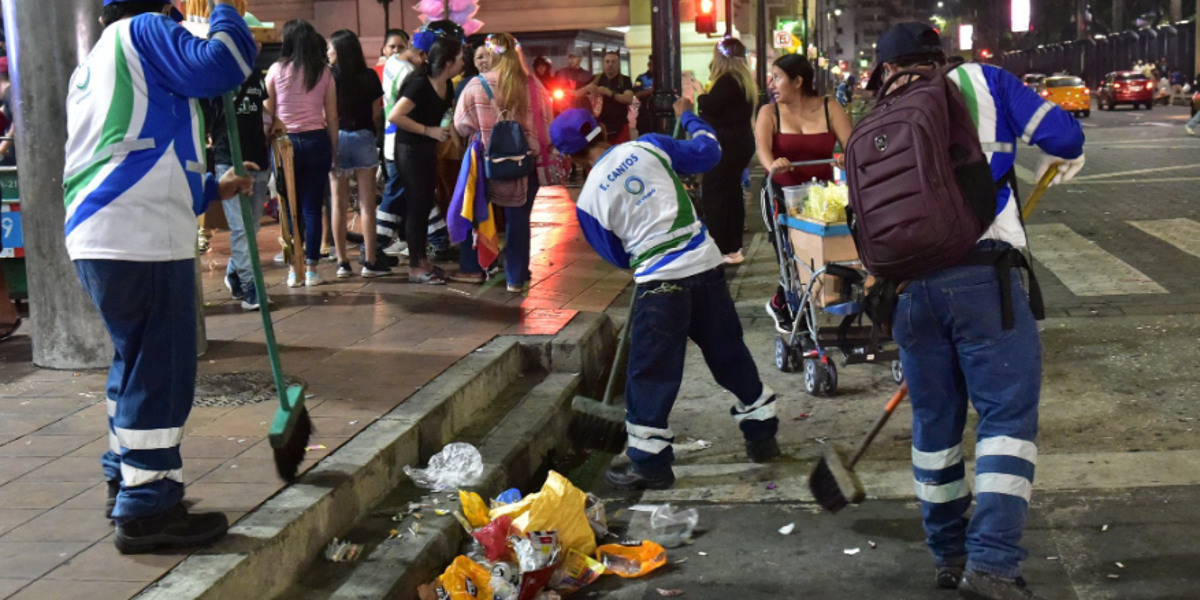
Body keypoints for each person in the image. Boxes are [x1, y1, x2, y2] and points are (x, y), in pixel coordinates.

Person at [866, 23, 1085, 599]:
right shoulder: (985, 81)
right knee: (1005, 423)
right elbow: (1062, 136)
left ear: (887, 68)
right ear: (938, 56)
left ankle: (949, 554)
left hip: (910, 292)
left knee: (934, 429)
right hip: (985, 279)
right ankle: (991, 565)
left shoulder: (877, 119)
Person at [64, 0, 256, 554]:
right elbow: (224, 64)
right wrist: (226, 10)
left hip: (106, 232)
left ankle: (125, 477)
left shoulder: (100, 57)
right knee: (161, 369)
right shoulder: (145, 30)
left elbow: (131, 144)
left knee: (135, 361)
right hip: (139, 234)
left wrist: (208, 190)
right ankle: (148, 509)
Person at [549, 101, 781, 491]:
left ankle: (649, 463)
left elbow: (618, 255)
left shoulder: (588, 201)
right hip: (706, 268)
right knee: (729, 354)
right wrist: (690, 116)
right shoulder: (650, 146)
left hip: (660, 287)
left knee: (651, 373)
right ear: (601, 129)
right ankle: (762, 434)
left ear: (567, 156)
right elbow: (710, 151)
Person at [755, 53, 851, 332]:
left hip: (820, 197)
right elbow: (763, 149)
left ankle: (790, 300)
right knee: (789, 252)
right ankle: (792, 306)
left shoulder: (829, 106)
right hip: (781, 192)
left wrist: (844, 156)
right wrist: (773, 164)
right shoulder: (769, 112)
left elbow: (851, 143)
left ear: (798, 81)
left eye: (777, 78)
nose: (771, 84)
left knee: (825, 249)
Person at [451, 33, 551, 293]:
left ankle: (475, 267)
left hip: (485, 163)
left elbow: (461, 126)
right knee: (518, 221)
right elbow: (548, 124)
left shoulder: (476, 85)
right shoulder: (533, 85)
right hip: (524, 163)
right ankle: (515, 278)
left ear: (492, 54)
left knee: (478, 213)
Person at [387, 35, 463, 284]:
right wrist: (427, 130)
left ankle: (422, 261)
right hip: (409, 149)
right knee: (417, 206)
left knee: (423, 203)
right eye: (460, 58)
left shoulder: (447, 83)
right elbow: (396, 116)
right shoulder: (420, 84)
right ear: (448, 62)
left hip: (426, 150)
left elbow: (447, 111)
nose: (463, 62)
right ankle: (415, 266)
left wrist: (455, 138)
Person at [266, 20, 337, 287]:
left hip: (286, 145)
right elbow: (331, 117)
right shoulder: (324, 72)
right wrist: (333, 150)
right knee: (312, 209)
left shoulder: (276, 70)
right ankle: (311, 270)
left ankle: (293, 270)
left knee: (288, 208)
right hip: (317, 141)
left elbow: (269, 112)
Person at [206, 50, 273, 310]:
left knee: (252, 228)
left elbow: (261, 108)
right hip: (229, 158)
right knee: (242, 228)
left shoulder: (255, 74)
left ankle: (236, 271)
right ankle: (250, 286)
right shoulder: (215, 74)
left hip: (258, 157)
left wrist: (275, 120)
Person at [326, 30, 389, 279]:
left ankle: (342, 262)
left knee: (338, 202)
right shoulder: (370, 76)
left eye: (331, 47)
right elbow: (376, 113)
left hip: (337, 138)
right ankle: (370, 261)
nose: (328, 52)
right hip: (364, 137)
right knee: (367, 204)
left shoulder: (329, 77)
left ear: (340, 51)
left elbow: (327, 112)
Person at [697, 38, 759, 265]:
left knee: (715, 194)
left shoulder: (727, 81)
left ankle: (720, 247)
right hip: (740, 144)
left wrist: (700, 93)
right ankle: (733, 247)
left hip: (726, 146)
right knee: (732, 194)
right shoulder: (744, 81)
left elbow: (709, 106)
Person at [377, 31, 435, 257]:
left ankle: (436, 238)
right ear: (422, 54)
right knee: (398, 194)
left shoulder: (392, 63)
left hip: (392, 139)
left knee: (414, 193)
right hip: (403, 141)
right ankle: (374, 246)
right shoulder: (410, 74)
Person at [585, 51, 635, 144]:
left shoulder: (624, 80)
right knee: (599, 154)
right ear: (603, 64)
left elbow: (628, 99)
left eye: (613, 62)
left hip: (620, 124)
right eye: (607, 62)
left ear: (618, 64)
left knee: (622, 153)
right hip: (599, 125)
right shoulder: (596, 79)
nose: (610, 64)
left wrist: (609, 93)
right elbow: (580, 93)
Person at [633, 55, 654, 135]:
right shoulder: (641, 78)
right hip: (645, 113)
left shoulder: (664, 77)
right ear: (649, 64)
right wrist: (651, 91)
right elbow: (637, 94)